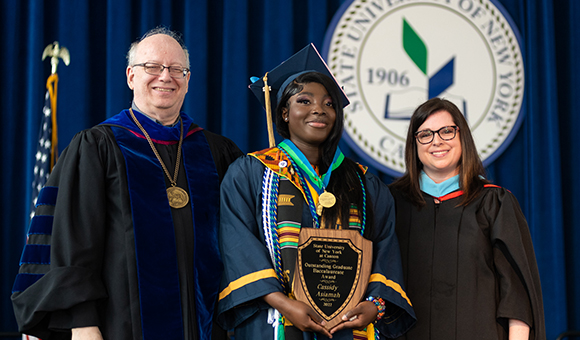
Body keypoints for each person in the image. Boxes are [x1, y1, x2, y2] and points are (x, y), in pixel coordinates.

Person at [11, 27, 243, 340]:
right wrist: (83, 324)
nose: (165, 76)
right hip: (120, 326)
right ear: (131, 76)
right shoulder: (98, 147)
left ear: (188, 80)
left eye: (177, 69)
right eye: (152, 67)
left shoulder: (217, 152)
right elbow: (75, 242)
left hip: (208, 326)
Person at [217, 44, 415, 340]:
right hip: (276, 324)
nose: (319, 109)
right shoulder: (251, 174)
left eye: (329, 103)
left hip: (348, 328)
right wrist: (284, 304)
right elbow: (237, 244)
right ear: (283, 112)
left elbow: (385, 249)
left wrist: (374, 306)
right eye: (304, 100)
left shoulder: (363, 184)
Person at [389, 98, 546, 340]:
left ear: (463, 137)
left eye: (447, 131)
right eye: (425, 134)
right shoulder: (392, 203)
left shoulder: (494, 202)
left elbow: (517, 295)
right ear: (414, 144)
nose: (437, 141)